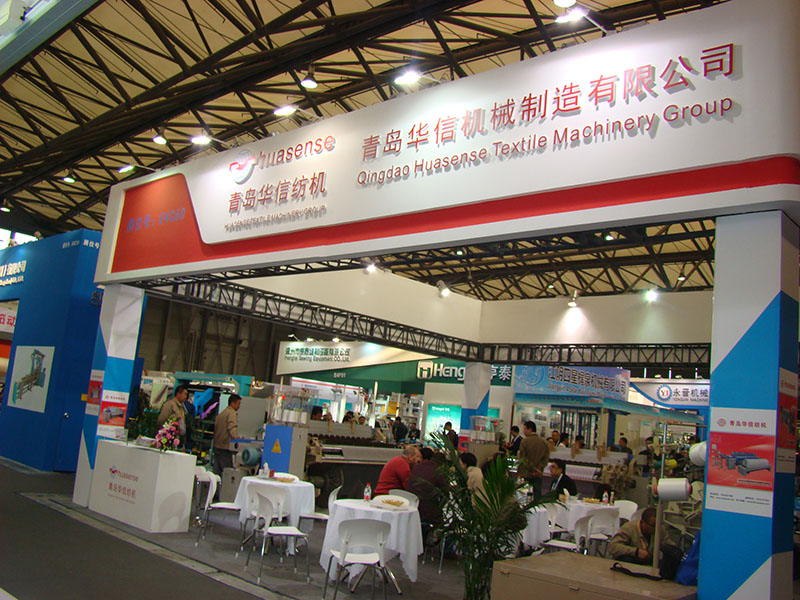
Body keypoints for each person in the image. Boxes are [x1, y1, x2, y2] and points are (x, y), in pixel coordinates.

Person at [609, 506, 674, 564]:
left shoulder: (659, 529)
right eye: (652, 526)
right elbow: (613, 547)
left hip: (649, 560)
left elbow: (668, 544)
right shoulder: (628, 528)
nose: (655, 529)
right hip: (632, 559)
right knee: (627, 560)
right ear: (643, 522)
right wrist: (636, 551)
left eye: (657, 525)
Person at [407, 447, 447, 527]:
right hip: (429, 514)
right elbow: (445, 494)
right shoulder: (439, 471)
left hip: (412, 508)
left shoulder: (416, 467)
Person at [517, 421, 550, 500]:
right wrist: (538, 469)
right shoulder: (544, 442)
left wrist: (533, 469)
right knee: (537, 495)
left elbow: (523, 458)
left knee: (523, 496)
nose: (524, 431)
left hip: (525, 473)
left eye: (525, 429)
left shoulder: (524, 441)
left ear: (530, 429)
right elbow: (546, 459)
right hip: (538, 474)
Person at [212, 394, 241, 476]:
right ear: (233, 403)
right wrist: (237, 439)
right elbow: (232, 427)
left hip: (217, 446)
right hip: (225, 447)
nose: (239, 406)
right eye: (238, 403)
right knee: (227, 473)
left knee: (216, 472)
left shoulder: (222, 413)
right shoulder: (232, 413)